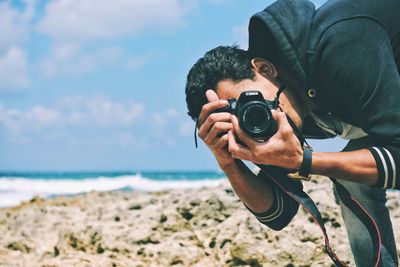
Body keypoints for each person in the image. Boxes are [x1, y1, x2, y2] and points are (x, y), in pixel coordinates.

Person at [184, 0, 400, 266]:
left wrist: (305, 161)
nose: (253, 118)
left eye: (251, 103)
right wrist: (227, 161)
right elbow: (279, 213)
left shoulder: (339, 44)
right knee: (351, 177)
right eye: (238, 118)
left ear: (264, 69)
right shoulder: (277, 105)